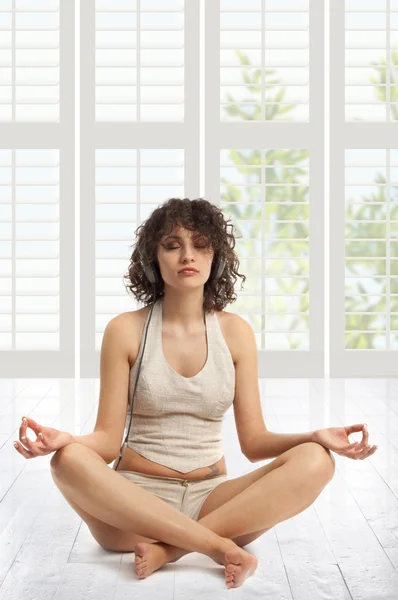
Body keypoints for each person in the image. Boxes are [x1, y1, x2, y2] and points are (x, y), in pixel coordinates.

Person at [13, 197, 376, 590]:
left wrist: (313, 436)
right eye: (172, 244)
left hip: (214, 501)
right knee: (67, 461)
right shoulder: (125, 330)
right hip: (133, 507)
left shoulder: (236, 333)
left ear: (215, 255)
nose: (187, 255)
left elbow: (254, 443)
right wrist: (68, 439)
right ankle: (217, 547)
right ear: (154, 257)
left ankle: (171, 551)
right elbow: (104, 443)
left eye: (200, 244)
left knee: (316, 461)